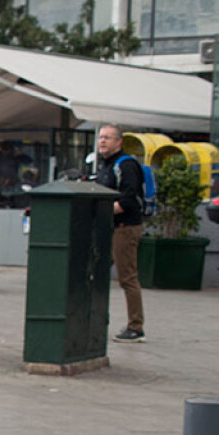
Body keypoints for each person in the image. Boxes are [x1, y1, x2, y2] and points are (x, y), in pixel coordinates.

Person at [92, 123, 147, 342]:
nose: (102, 141)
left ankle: (136, 326)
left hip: (124, 228)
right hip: (109, 227)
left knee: (128, 278)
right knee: (94, 272)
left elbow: (129, 200)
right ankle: (94, 317)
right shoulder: (104, 166)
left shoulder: (126, 165)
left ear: (119, 142)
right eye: (100, 137)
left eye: (108, 138)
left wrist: (103, 213)